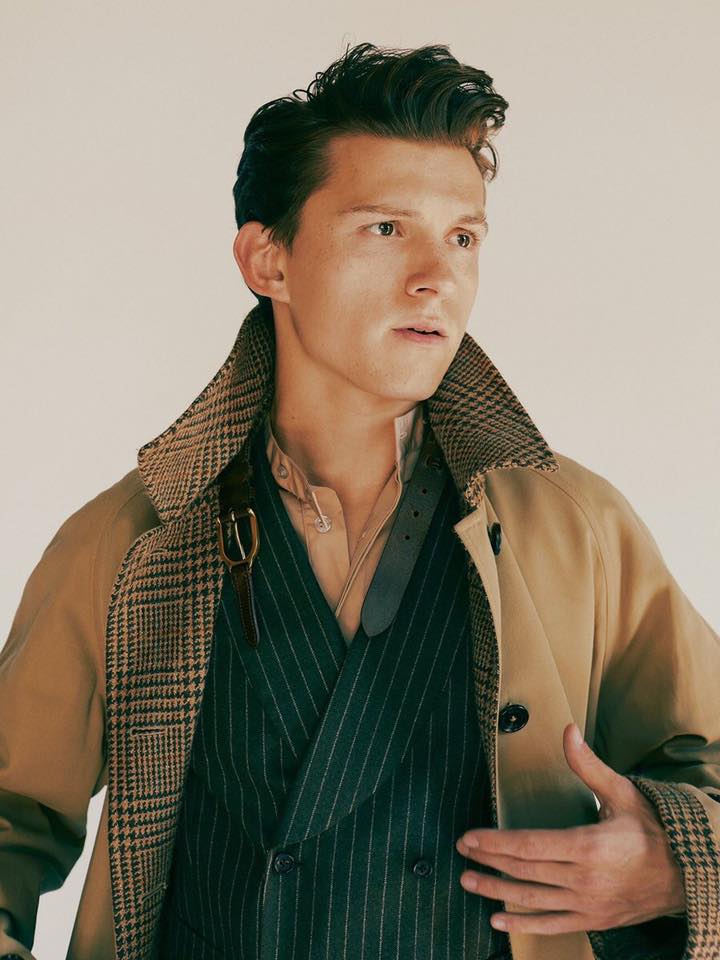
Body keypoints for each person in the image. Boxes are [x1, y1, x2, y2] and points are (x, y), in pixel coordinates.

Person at [0, 40, 718, 960]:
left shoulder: (574, 529)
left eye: (463, 237)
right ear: (268, 260)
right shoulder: (134, 540)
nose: (437, 276)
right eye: (385, 229)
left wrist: (679, 865)